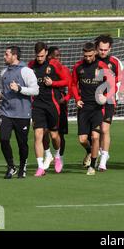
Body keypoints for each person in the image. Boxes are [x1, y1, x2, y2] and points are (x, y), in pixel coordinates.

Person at [71, 42, 115, 175]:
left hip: (98, 108)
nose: (88, 58)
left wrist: (105, 96)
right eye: (86, 56)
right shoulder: (78, 67)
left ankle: (93, 165)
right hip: (84, 108)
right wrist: (77, 99)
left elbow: (112, 84)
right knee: (83, 140)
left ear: (94, 53)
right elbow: (73, 84)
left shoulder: (102, 66)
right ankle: (90, 151)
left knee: (95, 136)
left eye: (90, 55)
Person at [0, 46, 39, 179]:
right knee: (3, 139)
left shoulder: (26, 71)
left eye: (6, 54)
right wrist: (0, 95)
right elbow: (5, 91)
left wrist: (20, 89)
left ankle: (23, 166)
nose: (4, 56)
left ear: (14, 56)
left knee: (22, 143)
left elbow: (35, 90)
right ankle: (11, 166)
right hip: (6, 113)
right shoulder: (4, 72)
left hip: (22, 114)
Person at [28, 42, 69, 177]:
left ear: (46, 53)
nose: (39, 58)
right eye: (37, 56)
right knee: (38, 134)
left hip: (52, 104)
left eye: (41, 56)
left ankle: (57, 155)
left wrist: (53, 83)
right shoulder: (30, 66)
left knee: (54, 135)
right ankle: (40, 167)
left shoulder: (54, 65)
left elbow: (67, 81)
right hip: (37, 105)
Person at [41, 46, 72, 173]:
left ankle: (60, 157)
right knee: (43, 131)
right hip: (46, 102)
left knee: (59, 134)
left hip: (61, 103)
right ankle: (47, 155)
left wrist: (66, 99)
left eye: (58, 56)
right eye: (54, 56)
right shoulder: (44, 69)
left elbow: (70, 85)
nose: (57, 59)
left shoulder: (63, 69)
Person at [94, 35, 121, 171]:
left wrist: (107, 96)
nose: (103, 52)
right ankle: (97, 152)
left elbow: (118, 83)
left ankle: (103, 160)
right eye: (101, 49)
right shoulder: (91, 61)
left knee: (104, 129)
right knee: (93, 133)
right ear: (96, 48)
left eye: (106, 49)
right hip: (92, 101)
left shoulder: (115, 63)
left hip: (109, 100)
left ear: (110, 49)